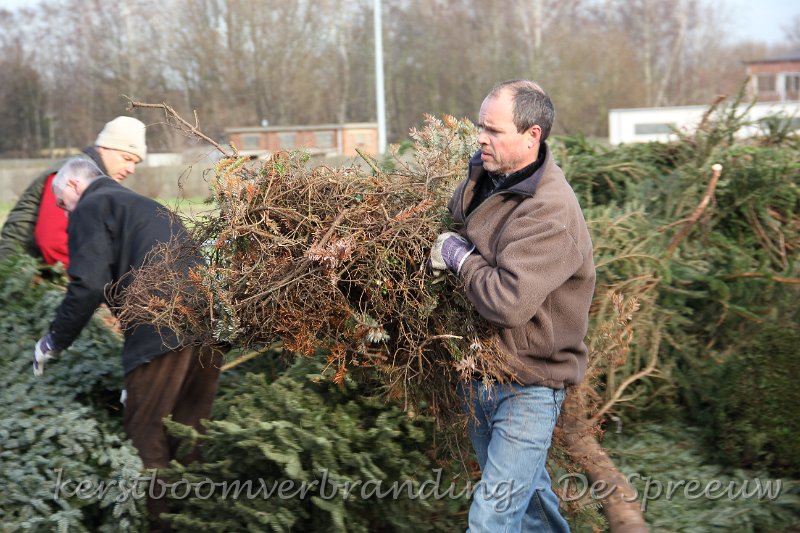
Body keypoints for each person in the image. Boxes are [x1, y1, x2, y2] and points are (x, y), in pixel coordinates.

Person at [428, 79, 595, 532]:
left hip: (530, 384)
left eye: (494, 130)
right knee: (533, 509)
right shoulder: (487, 173)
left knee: (492, 518)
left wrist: (458, 258)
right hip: (483, 372)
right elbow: (458, 220)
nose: (482, 137)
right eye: (481, 127)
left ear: (532, 135)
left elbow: (507, 302)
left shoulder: (550, 212)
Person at [31, 158, 222, 532]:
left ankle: (159, 525)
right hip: (207, 321)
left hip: (161, 325)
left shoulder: (91, 205)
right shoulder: (143, 204)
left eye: (60, 203)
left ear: (72, 186)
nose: (63, 212)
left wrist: (54, 340)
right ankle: (196, 521)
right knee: (188, 433)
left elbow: (87, 284)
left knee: (145, 430)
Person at [0, 116, 147, 267]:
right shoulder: (71, 173)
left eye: (135, 163)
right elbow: (52, 242)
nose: (131, 169)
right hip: (18, 270)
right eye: (126, 158)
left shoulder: (95, 181)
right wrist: (94, 275)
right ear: (103, 148)